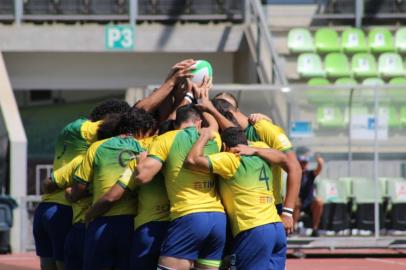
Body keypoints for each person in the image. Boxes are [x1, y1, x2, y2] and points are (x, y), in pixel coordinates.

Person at [33, 99, 130, 270]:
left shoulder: (72, 135)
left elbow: (47, 183)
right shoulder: (89, 148)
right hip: (64, 212)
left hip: (44, 210)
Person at [135, 104, 226, 270]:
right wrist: (205, 101)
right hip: (218, 219)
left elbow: (143, 176)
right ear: (198, 123)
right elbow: (214, 125)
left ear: (176, 124)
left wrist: (141, 161)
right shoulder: (213, 137)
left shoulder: (166, 138)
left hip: (189, 216)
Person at [185, 126, 289, 269]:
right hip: (276, 228)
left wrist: (204, 136)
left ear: (225, 146)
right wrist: (257, 150)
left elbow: (192, 160)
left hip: (253, 229)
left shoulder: (231, 158)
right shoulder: (261, 156)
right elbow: (285, 158)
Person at [70, 108, 155, 270]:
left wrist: (87, 212)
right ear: (141, 131)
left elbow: (80, 186)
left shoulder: (97, 147)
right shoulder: (144, 148)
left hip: (100, 220)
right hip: (131, 223)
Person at [212, 92, 302, 234]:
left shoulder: (263, 128)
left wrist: (287, 213)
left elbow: (294, 167)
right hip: (234, 210)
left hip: (267, 209)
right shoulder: (220, 134)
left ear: (233, 111)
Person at [294, 147, 324, 237]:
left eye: (305, 163)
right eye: (301, 163)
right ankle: (293, 227)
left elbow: (320, 166)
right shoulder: (294, 174)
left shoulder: (310, 174)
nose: (303, 165)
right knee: (295, 202)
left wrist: (317, 157)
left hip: (309, 202)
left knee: (319, 201)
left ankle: (315, 229)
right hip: (297, 203)